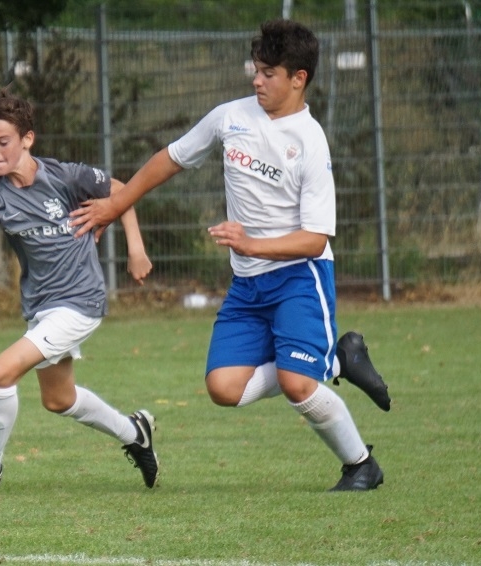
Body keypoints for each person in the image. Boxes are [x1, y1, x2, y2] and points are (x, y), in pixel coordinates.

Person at [70, 19, 389, 491]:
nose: (256, 81)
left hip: (299, 277)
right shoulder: (230, 117)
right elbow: (170, 158)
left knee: (297, 384)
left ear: (298, 78)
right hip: (248, 284)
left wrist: (251, 243)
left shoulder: (309, 141)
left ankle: (361, 465)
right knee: (223, 388)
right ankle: (337, 360)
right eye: (255, 70)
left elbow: (315, 239)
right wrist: (117, 205)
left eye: (268, 73)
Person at [0, 89, 159, 498]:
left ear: (27, 139)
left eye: (3, 142)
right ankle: (135, 433)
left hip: (81, 301)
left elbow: (121, 189)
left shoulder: (65, 177)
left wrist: (136, 250)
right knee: (59, 399)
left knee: (1, 372)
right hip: (41, 307)